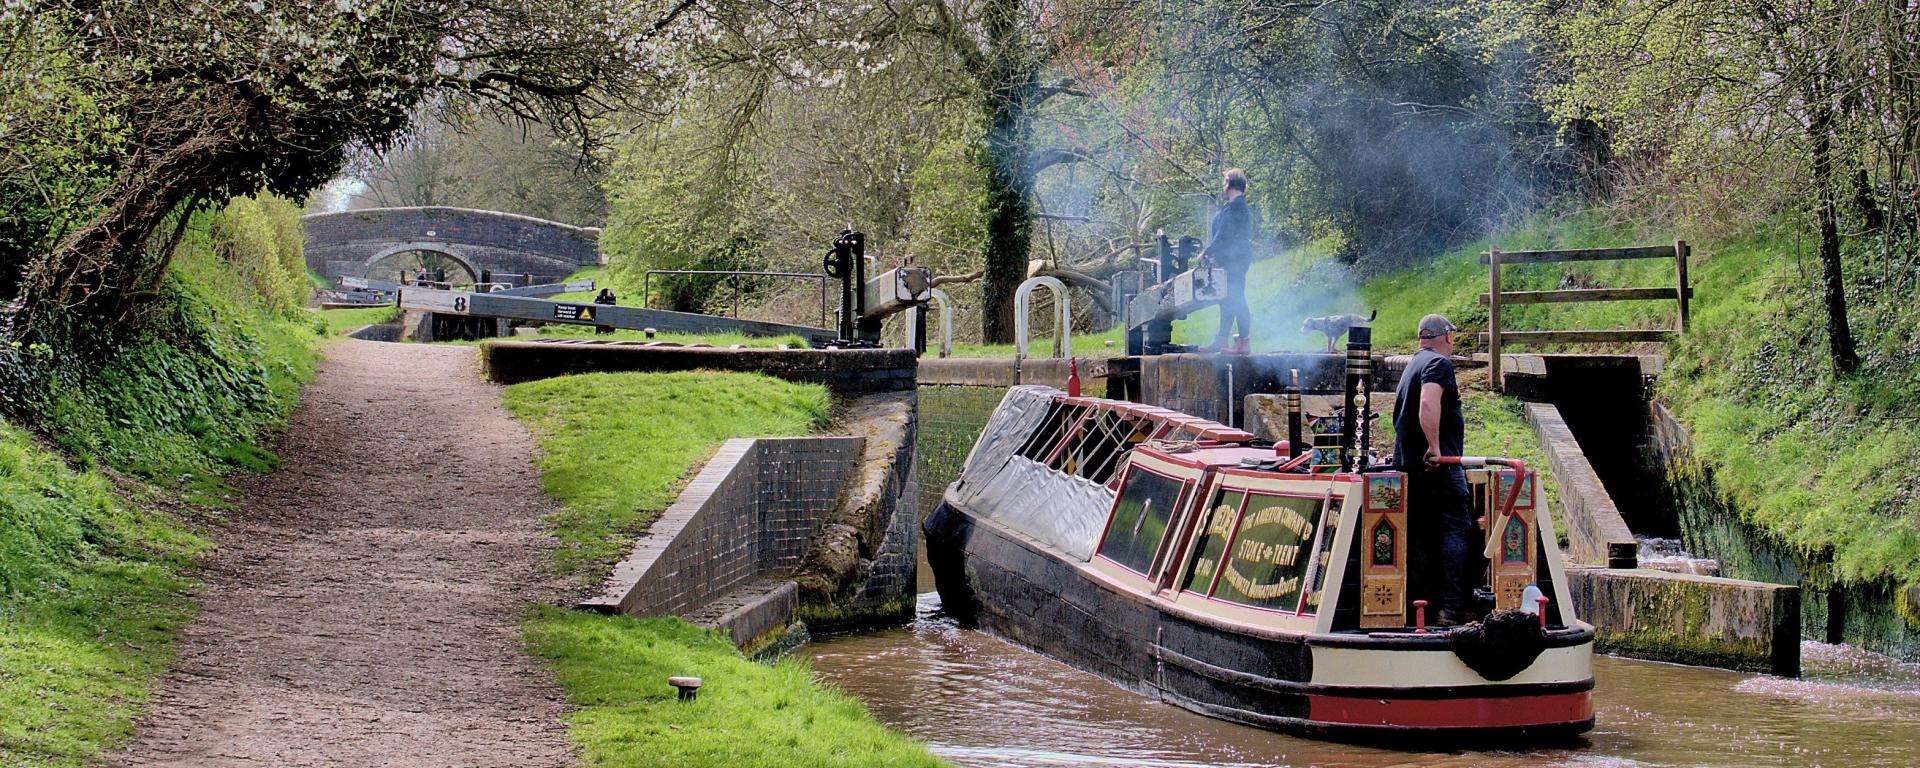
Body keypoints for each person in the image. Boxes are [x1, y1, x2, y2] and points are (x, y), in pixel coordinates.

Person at [1391, 313, 1472, 625]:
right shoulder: (1438, 364)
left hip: (1409, 468)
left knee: (1421, 534)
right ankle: (1451, 608)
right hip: (1438, 467)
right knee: (1456, 528)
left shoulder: (1412, 364)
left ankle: (1419, 607)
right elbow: (1428, 403)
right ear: (1448, 337)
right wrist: (1436, 448)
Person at [1199, 168, 1255, 354]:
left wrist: (1206, 252)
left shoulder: (1236, 206)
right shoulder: (1234, 206)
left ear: (1229, 182)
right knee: (1226, 299)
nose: (1223, 184)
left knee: (1237, 298)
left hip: (1236, 261)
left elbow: (1224, 234)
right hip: (1231, 260)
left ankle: (1244, 343)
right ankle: (1222, 339)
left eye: (1225, 180)